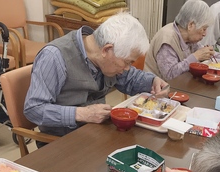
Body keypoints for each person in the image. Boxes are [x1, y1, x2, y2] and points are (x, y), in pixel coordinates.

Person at [24, 12, 169, 143]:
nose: (127, 68)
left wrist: (152, 81)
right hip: (62, 142)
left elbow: (130, 78)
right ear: (106, 49)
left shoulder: (103, 56)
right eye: (127, 62)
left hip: (97, 133)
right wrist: (81, 114)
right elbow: (34, 109)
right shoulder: (54, 57)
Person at [144, 0, 220, 81]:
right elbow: (170, 75)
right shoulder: (167, 39)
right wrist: (195, 57)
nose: (205, 34)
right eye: (203, 29)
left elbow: (203, 51)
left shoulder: (188, 37)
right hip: (155, 91)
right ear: (190, 25)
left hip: (179, 85)